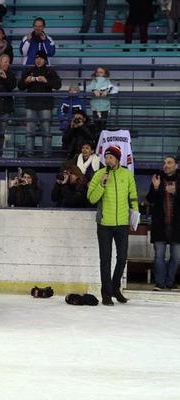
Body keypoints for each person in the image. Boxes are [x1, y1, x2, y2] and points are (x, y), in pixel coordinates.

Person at [87, 145, 138, 305]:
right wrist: (102, 184)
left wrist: (134, 217)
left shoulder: (127, 175)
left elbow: (133, 197)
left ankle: (115, 288)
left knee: (122, 258)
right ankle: (106, 294)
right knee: (105, 260)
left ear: (118, 159)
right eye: (106, 157)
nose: (108, 160)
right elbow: (91, 198)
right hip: (104, 224)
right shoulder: (99, 175)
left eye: (111, 157)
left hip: (122, 223)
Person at [17, 50, 62, 157]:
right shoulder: (29, 71)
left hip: (45, 105)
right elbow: (20, 86)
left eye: (40, 58)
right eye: (36, 58)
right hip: (31, 104)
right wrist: (26, 81)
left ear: (45, 60)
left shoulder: (50, 71)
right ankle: (29, 153)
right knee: (29, 131)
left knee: (46, 130)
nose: (38, 60)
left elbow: (58, 85)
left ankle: (46, 153)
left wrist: (46, 81)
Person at [146, 156, 180, 290]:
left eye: (169, 163)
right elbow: (149, 199)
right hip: (160, 225)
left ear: (176, 166)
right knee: (159, 255)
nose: (166, 165)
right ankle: (160, 283)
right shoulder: (157, 178)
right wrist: (155, 188)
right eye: (164, 163)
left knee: (176, 257)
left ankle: (170, 282)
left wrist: (176, 192)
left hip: (177, 225)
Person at [87, 66, 114, 134]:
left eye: (101, 72)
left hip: (105, 107)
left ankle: (102, 141)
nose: (99, 74)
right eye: (97, 72)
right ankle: (96, 141)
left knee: (103, 124)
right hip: (95, 107)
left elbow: (112, 88)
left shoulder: (107, 81)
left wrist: (107, 91)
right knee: (96, 124)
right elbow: (88, 88)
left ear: (105, 74)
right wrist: (94, 90)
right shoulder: (93, 81)